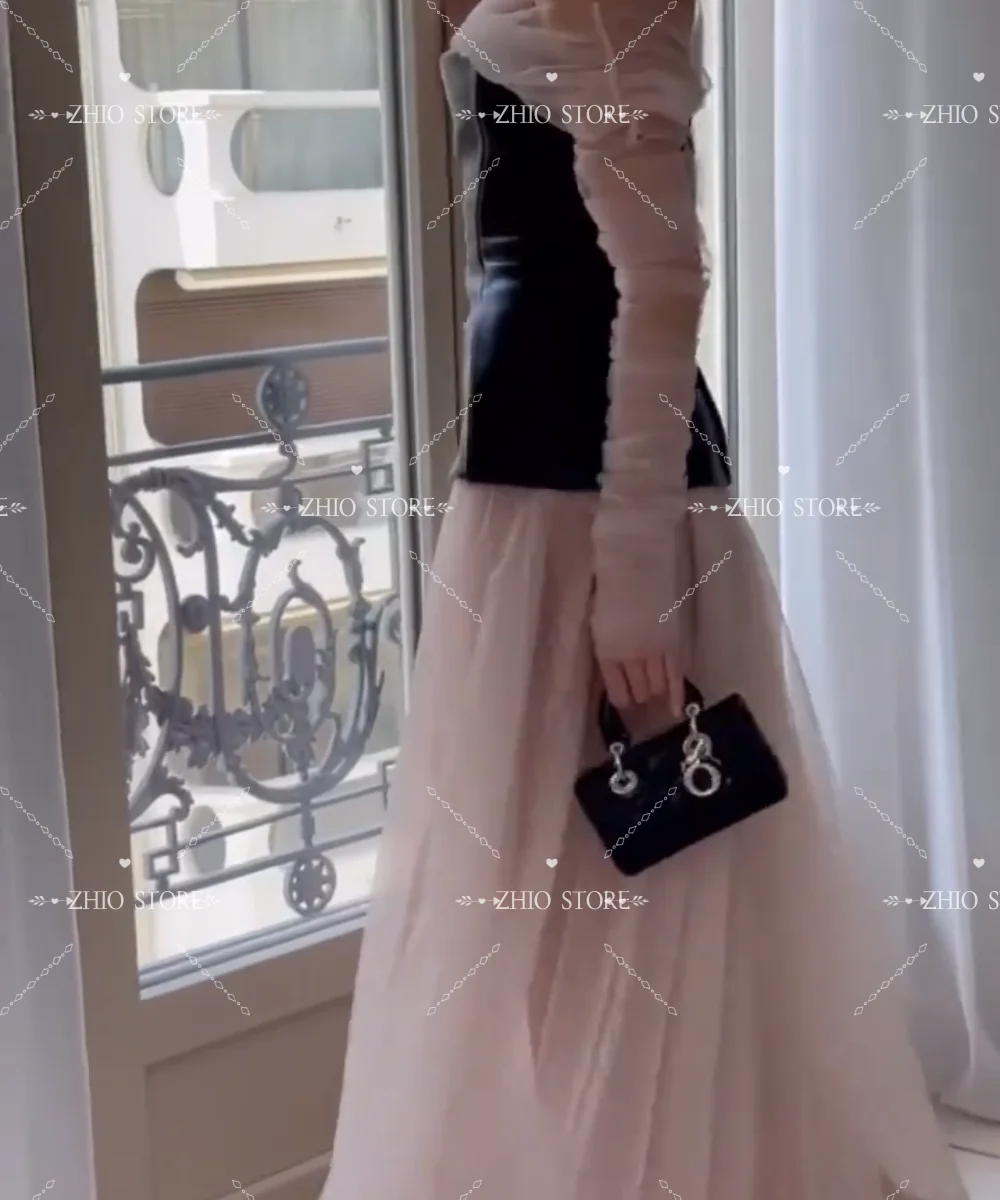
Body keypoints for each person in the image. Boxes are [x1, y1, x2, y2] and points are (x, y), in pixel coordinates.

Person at [320, 1, 969, 1196]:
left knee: (645, 872)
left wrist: (632, 581)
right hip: (519, 493)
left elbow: (664, 279)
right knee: (524, 886)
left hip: (603, 508)